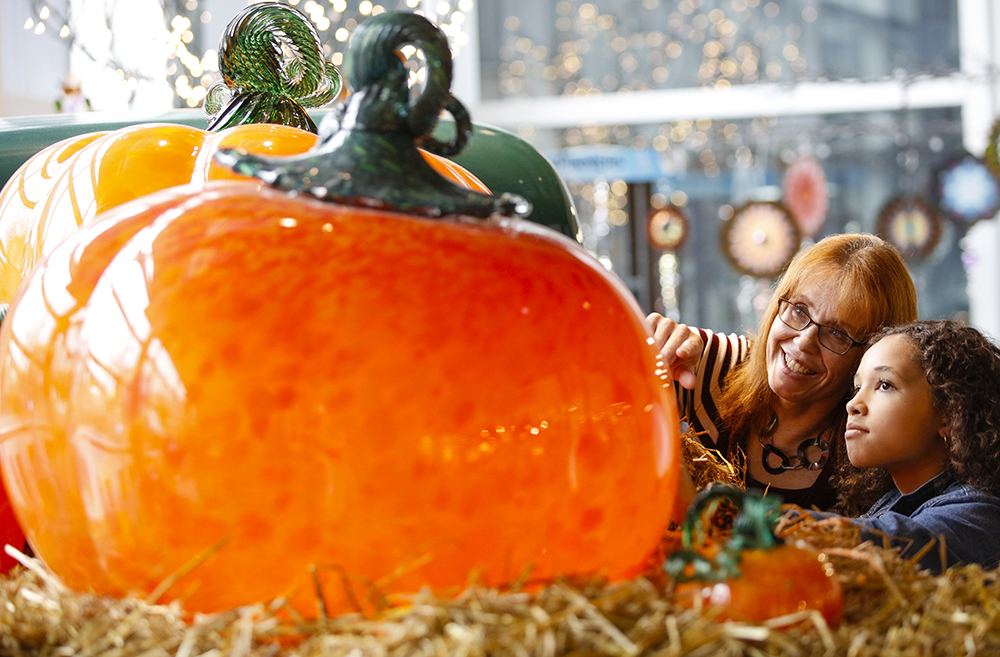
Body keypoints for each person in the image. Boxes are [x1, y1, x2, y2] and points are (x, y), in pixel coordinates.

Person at [650, 233, 917, 510]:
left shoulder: (874, 453)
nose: (804, 341)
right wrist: (649, 348)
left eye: (837, 333)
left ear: (870, 355)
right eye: (800, 310)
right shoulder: (710, 365)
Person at [829, 320, 1000, 573]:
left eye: (884, 385)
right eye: (857, 388)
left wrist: (776, 520)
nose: (853, 404)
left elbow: (893, 544)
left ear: (950, 413)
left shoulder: (980, 513)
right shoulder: (891, 500)